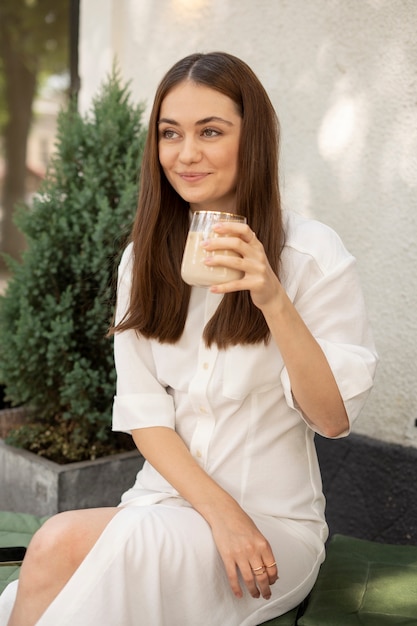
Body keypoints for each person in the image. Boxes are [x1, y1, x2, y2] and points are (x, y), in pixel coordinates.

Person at [0, 51, 378, 626]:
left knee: (68, 550)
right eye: (169, 133)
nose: (186, 153)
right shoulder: (142, 260)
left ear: (253, 141)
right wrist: (219, 513)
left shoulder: (310, 255)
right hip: (162, 507)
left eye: (211, 131)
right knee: (55, 550)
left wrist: (274, 299)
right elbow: (147, 417)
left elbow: (331, 419)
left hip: (270, 531)